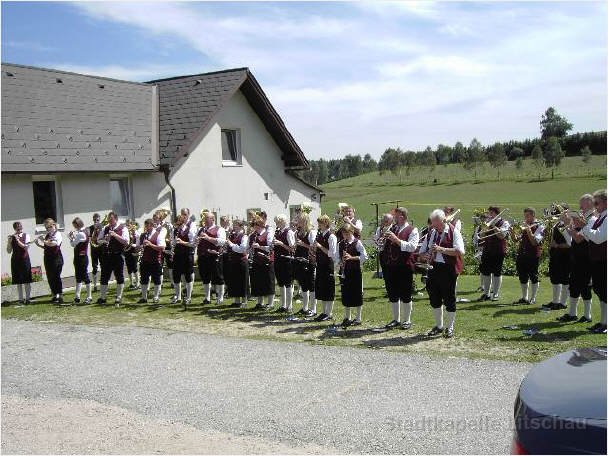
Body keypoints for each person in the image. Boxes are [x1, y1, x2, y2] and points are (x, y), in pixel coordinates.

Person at [418, 209, 465, 338]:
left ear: (443, 220)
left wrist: (441, 249)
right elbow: (421, 252)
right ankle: (438, 326)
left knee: (449, 298)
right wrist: (425, 255)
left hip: (448, 268)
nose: (434, 226)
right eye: (433, 223)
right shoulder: (431, 233)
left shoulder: (453, 231)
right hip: (433, 267)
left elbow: (460, 251)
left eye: (436, 224)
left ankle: (450, 327)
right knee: (434, 296)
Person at [557, 194, 595, 323]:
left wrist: (569, 224)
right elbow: (572, 237)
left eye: (582, 204)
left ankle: (587, 315)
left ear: (590, 203)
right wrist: (566, 224)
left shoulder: (592, 219)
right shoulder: (583, 218)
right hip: (575, 256)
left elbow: (579, 239)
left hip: (586, 257)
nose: (580, 207)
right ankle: (572, 313)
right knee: (573, 285)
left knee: (585, 286)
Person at [381, 207, 419, 330]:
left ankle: (407, 320)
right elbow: (385, 247)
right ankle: (396, 319)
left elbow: (412, 247)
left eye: (396, 216)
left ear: (402, 216)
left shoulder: (412, 230)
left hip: (405, 266)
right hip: (391, 265)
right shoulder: (393, 228)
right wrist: (381, 241)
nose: (394, 219)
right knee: (392, 293)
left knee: (405, 293)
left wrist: (397, 240)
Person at [577, 189, 607, 334]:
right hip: (597, 259)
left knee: (604, 292)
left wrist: (584, 226)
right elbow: (590, 238)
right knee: (600, 291)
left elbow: (599, 238)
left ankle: (605, 323)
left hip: (603, 259)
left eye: (597, 203)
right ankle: (603, 322)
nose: (595, 206)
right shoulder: (601, 217)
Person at [96, 211, 129, 306]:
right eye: (109, 220)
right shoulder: (105, 228)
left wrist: (115, 235)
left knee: (119, 276)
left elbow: (126, 242)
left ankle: (118, 297)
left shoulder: (123, 228)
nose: (109, 222)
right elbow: (98, 241)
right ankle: (103, 298)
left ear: (116, 219)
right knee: (104, 276)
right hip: (107, 255)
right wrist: (104, 240)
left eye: (111, 220)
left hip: (118, 255)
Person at [513, 208, 545, 305]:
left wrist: (528, 230)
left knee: (533, 276)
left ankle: (533, 298)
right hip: (522, 253)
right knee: (522, 276)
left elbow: (534, 242)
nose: (525, 218)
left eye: (527, 216)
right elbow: (516, 240)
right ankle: (524, 297)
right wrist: (512, 233)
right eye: (525, 216)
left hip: (533, 254)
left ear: (533, 215)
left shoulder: (540, 226)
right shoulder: (524, 225)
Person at [338, 223, 367, 327]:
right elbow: (337, 257)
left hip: (355, 271)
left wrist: (352, 257)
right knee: (346, 294)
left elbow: (364, 257)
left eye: (346, 233)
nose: (344, 236)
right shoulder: (341, 243)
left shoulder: (357, 243)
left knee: (357, 293)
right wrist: (340, 262)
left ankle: (358, 318)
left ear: (351, 232)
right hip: (344, 271)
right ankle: (347, 317)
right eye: (343, 233)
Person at [478, 207, 510, 301]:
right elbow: (482, 236)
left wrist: (494, 227)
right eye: (489, 213)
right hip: (487, 250)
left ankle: (495, 293)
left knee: (497, 272)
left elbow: (501, 236)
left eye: (491, 213)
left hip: (498, 251)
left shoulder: (504, 223)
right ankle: (486, 294)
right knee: (486, 272)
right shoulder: (487, 222)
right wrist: (485, 228)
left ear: (497, 214)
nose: (489, 215)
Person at [543, 203, 571, 310]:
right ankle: (555, 301)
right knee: (554, 279)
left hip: (565, 256)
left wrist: (557, 245)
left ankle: (562, 303)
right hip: (555, 255)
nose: (555, 213)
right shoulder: (556, 223)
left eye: (559, 211)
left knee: (564, 279)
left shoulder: (567, 224)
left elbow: (570, 243)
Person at [196, 212, 227, 305]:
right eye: (204, 218)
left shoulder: (219, 229)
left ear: (212, 219)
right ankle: (207, 298)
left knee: (218, 277)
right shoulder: (201, 229)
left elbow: (222, 242)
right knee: (205, 277)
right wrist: (197, 241)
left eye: (206, 218)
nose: (204, 220)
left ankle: (220, 297)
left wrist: (208, 238)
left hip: (214, 256)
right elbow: (196, 242)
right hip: (203, 256)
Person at [313, 215, 338, 322]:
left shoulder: (331, 236)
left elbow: (332, 253)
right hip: (320, 264)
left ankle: (329, 312)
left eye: (320, 223)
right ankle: (324, 312)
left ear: (326, 224)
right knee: (321, 288)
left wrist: (319, 247)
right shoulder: (320, 235)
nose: (319, 225)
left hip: (328, 265)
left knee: (329, 288)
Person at [248, 214, 275, 309]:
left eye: (255, 225)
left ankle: (270, 303)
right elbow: (248, 248)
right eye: (253, 225)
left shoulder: (268, 234)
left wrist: (259, 247)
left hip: (267, 261)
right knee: (257, 282)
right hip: (256, 261)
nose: (254, 227)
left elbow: (271, 248)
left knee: (268, 282)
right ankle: (260, 303)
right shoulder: (252, 235)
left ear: (260, 225)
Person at [35, 218, 64, 304]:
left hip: (56, 258)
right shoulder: (48, 235)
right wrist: (39, 245)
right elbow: (47, 247)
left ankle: (60, 295)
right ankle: (54, 295)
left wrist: (43, 240)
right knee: (50, 276)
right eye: (46, 227)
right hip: (48, 258)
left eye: (49, 227)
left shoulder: (57, 234)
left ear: (53, 225)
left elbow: (53, 244)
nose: (48, 229)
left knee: (56, 276)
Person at [137, 218, 166, 304]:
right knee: (144, 279)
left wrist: (150, 244)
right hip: (145, 260)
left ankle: (156, 296)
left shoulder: (158, 234)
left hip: (155, 260)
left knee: (156, 279)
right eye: (145, 226)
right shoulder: (143, 235)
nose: (146, 228)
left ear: (152, 225)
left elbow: (162, 247)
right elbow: (137, 247)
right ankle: (144, 297)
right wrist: (139, 247)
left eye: (147, 226)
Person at [294, 213, 317, 317]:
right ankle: (305, 308)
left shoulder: (311, 232)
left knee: (311, 284)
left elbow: (314, 248)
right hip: (299, 260)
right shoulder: (299, 232)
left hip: (308, 261)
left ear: (304, 221)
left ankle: (313, 309)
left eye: (298, 220)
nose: (297, 221)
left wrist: (303, 244)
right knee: (303, 284)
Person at [273, 214, 296, 313]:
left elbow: (292, 248)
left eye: (278, 221)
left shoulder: (289, 232)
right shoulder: (278, 231)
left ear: (283, 221)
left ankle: (289, 306)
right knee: (281, 283)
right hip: (278, 259)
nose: (276, 224)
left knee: (288, 283)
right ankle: (283, 305)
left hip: (287, 260)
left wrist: (281, 244)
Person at [172, 213, 196, 308]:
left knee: (188, 276)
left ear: (182, 222)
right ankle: (178, 296)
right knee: (176, 276)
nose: (176, 226)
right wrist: (173, 243)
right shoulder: (175, 231)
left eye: (178, 224)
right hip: (177, 255)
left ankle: (189, 297)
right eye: (176, 224)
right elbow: (173, 241)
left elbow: (192, 244)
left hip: (187, 255)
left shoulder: (189, 229)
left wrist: (182, 242)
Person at [224, 219, 249, 308]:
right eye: (233, 224)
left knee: (243, 281)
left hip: (241, 261)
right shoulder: (233, 235)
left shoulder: (244, 236)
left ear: (240, 226)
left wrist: (231, 244)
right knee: (235, 281)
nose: (233, 226)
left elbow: (242, 249)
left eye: (235, 225)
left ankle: (244, 301)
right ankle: (236, 301)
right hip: (233, 261)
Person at [6, 221, 32, 304]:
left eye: (20, 227)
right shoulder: (12, 237)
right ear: (15, 228)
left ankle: (28, 299)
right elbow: (9, 251)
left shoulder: (26, 235)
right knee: (18, 281)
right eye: (17, 227)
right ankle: (20, 299)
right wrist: (9, 242)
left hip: (24, 259)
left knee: (26, 280)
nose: (19, 229)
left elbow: (26, 247)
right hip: (15, 260)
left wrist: (17, 240)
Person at [68, 217, 92, 304]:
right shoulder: (84, 231)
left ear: (78, 225)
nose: (74, 228)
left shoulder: (81, 233)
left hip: (81, 258)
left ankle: (89, 296)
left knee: (84, 277)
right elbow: (77, 241)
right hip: (80, 257)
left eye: (75, 226)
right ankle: (77, 297)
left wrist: (70, 237)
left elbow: (73, 244)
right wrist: (74, 237)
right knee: (78, 277)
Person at [374, 213, 394, 279]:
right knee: (384, 268)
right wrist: (377, 241)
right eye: (383, 220)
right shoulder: (380, 228)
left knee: (391, 269)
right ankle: (386, 282)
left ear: (391, 221)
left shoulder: (394, 228)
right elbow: (376, 238)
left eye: (386, 221)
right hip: (382, 252)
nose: (384, 222)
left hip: (391, 253)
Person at [123, 219, 140, 290]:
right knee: (129, 267)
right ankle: (131, 283)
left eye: (129, 224)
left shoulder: (136, 233)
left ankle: (138, 282)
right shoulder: (126, 232)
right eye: (127, 224)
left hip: (134, 251)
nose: (128, 226)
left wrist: (133, 245)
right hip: (127, 251)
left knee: (134, 267)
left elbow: (138, 244)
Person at [88, 213, 103, 292]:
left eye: (97, 220)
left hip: (101, 248)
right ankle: (95, 285)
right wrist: (94, 230)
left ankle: (103, 283)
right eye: (94, 220)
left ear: (99, 220)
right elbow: (89, 239)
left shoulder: (102, 227)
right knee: (94, 267)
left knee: (103, 266)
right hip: (94, 249)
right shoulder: (90, 228)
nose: (96, 221)